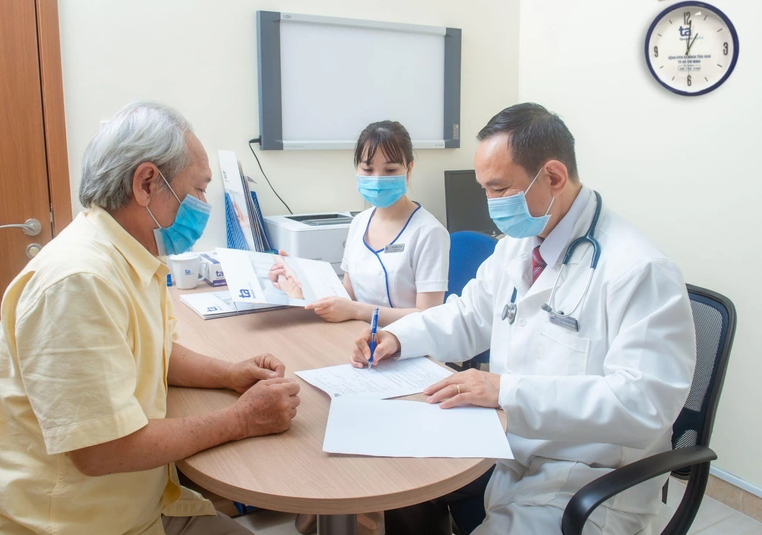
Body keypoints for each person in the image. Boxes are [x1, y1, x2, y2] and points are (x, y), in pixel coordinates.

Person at [350, 103, 697, 535]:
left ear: (552, 177)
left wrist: (504, 391)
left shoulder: (638, 269)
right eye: (485, 190)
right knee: (396, 478)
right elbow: (468, 315)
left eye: (499, 189)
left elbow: (644, 404)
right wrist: (397, 337)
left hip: (586, 479)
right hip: (505, 447)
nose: (490, 204)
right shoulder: (520, 243)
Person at [0, 101, 301, 535]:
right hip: (79, 523)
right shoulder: (80, 280)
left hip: (143, 501)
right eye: (198, 190)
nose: (202, 204)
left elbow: (154, 350)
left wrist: (231, 373)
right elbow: (101, 451)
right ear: (146, 183)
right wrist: (243, 419)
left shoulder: (128, 255)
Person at [303, 120, 450, 326]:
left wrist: (357, 310)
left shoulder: (429, 232)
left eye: (390, 170)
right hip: (360, 337)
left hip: (409, 345)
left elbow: (429, 316)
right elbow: (347, 293)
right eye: (368, 169)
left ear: (409, 169)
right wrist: (298, 282)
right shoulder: (359, 222)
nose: (378, 178)